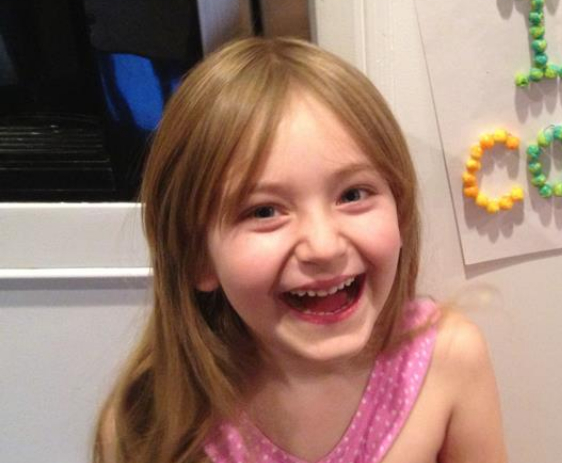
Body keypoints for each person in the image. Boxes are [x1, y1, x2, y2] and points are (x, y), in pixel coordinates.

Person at [93, 37, 508, 463]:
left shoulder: (448, 358)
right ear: (198, 256)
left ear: (399, 213)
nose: (323, 247)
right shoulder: (148, 422)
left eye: (352, 195)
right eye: (265, 210)